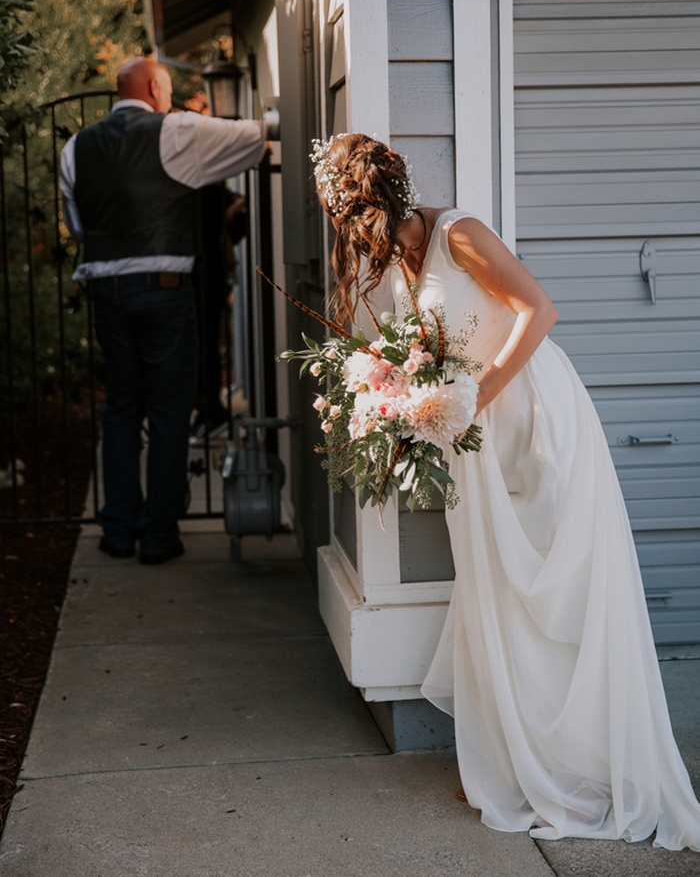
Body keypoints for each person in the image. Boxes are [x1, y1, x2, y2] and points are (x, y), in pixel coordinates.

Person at [313, 132, 700, 851]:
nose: (359, 239)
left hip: (538, 422)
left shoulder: (459, 233)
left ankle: (586, 767)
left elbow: (538, 311)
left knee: (561, 593)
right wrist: (396, 401)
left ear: (383, 204)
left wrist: (473, 395)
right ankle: (520, 764)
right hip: (476, 443)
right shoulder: (396, 260)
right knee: (500, 595)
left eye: (361, 223)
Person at [60, 57, 266, 564]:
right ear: (154, 87)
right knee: (171, 411)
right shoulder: (173, 131)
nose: (170, 101)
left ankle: (117, 529)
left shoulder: (76, 147)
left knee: (121, 407)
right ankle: (157, 536)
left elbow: (79, 225)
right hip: (163, 289)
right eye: (169, 91)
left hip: (107, 290)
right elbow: (251, 140)